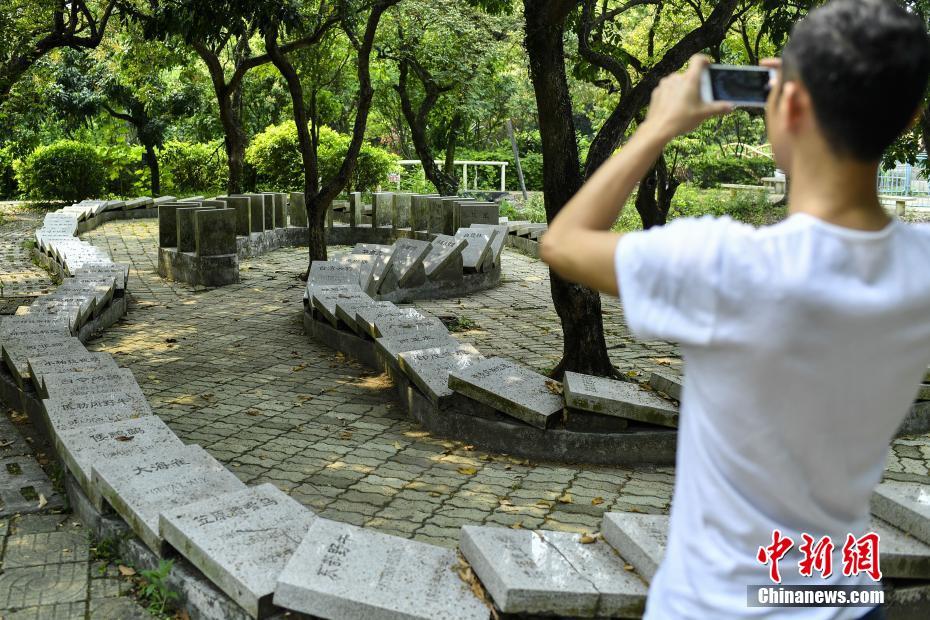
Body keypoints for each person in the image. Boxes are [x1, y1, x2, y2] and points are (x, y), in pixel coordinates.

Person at [539, 0, 930, 618]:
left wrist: (658, 125)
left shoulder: (730, 268)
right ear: (909, 117)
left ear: (792, 105)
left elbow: (562, 242)